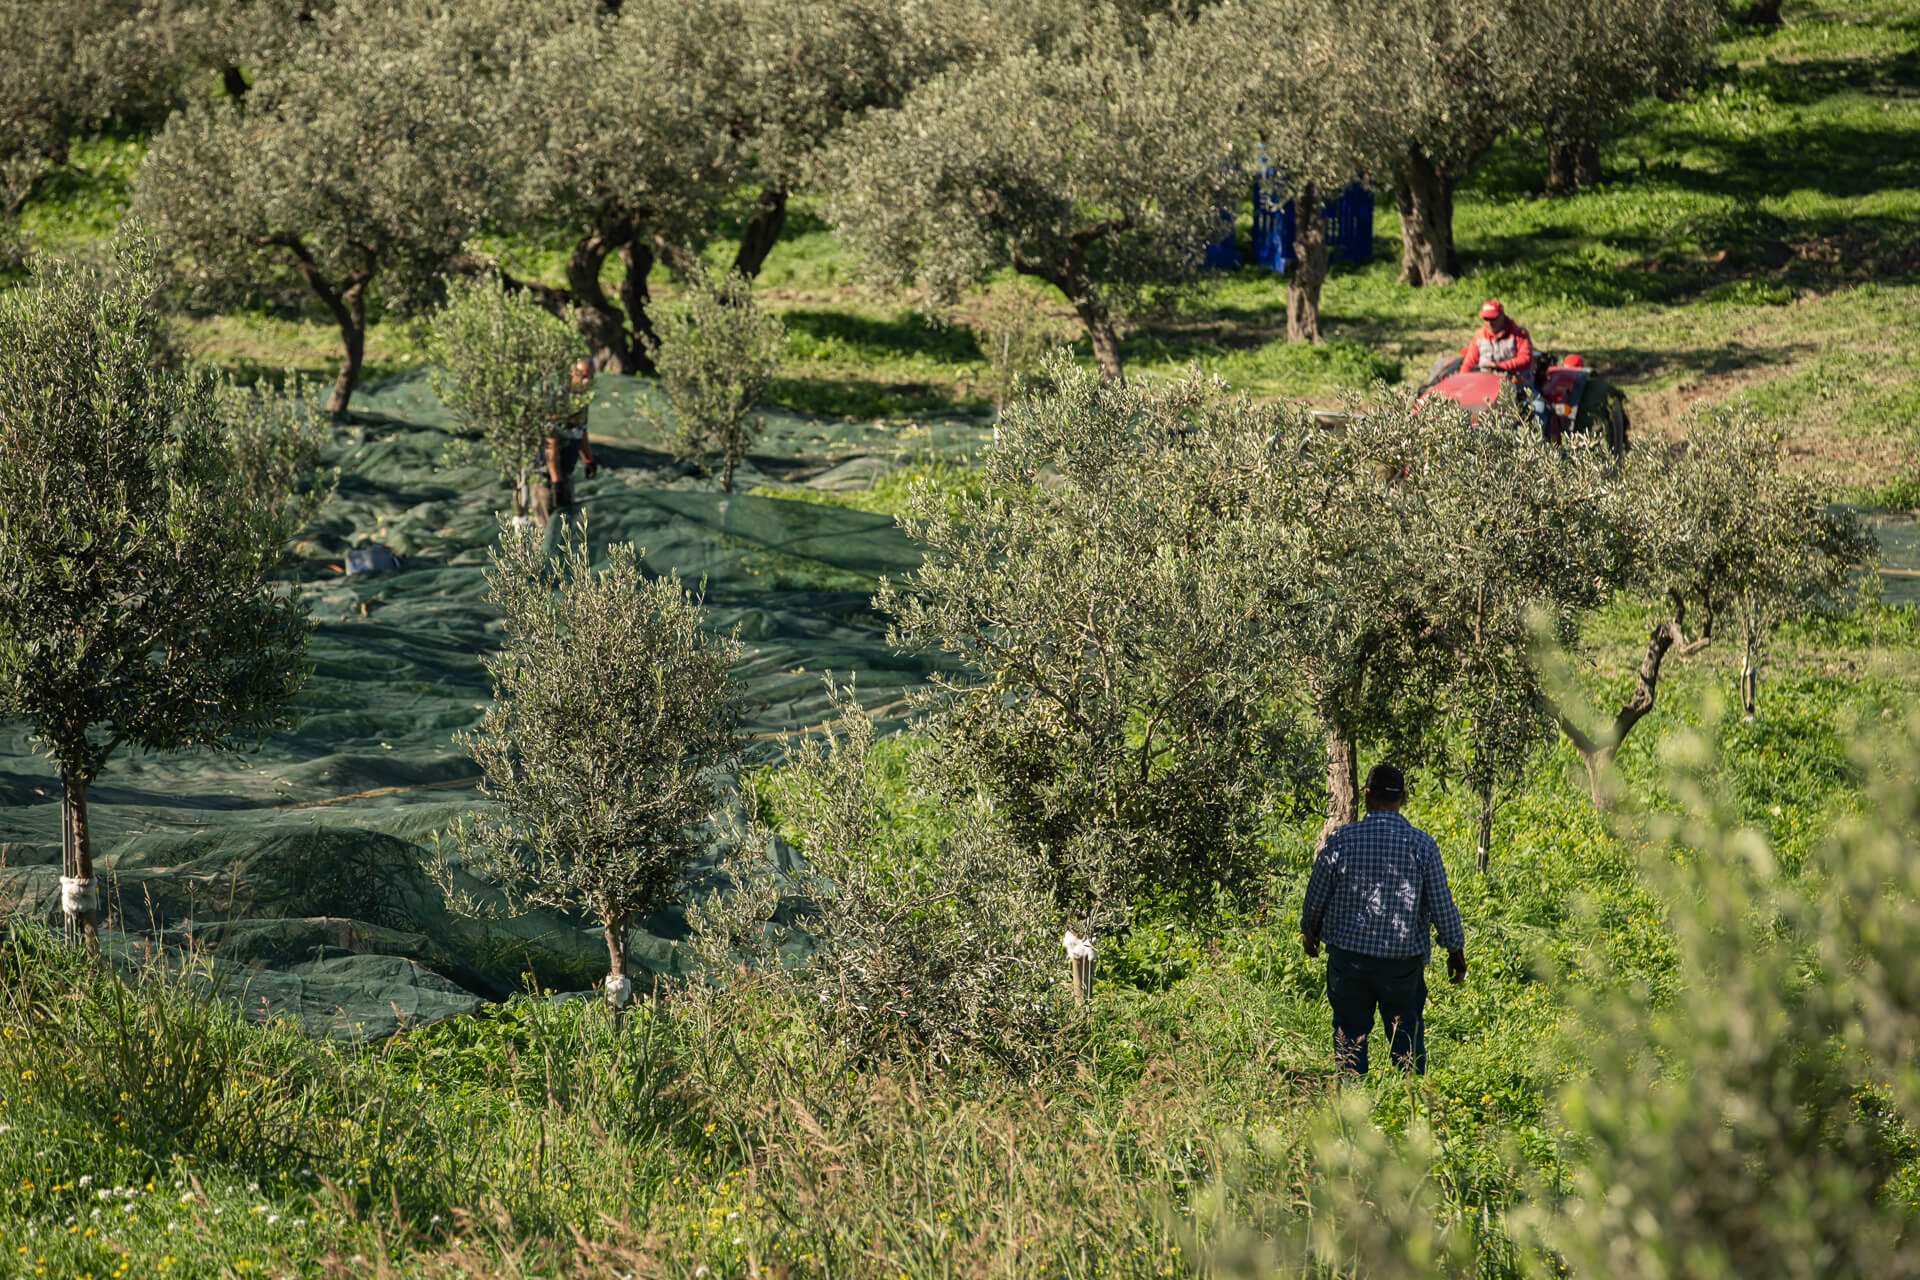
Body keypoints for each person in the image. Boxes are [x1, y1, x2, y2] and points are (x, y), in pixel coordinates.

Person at [1300, 763, 1467, 1076]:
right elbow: (1443, 907)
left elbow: (1316, 896)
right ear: (1403, 798)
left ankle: (1351, 1109)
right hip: (1401, 967)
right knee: (1406, 1042)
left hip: (1348, 962)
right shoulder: (1422, 846)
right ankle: (1412, 1108)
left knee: (1349, 1035)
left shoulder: (1340, 840)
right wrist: (1455, 953)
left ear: (1366, 796)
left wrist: (1310, 933)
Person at [1460, 300, 1547, 436]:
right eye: (1486, 319)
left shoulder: (1519, 334)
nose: (1489, 322)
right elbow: (1468, 363)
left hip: (1518, 386)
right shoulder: (1479, 336)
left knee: (1538, 407)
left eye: (1493, 318)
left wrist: (1499, 367)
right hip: (1485, 389)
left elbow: (1525, 359)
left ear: (1502, 316)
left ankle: (1536, 443)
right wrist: (1463, 384)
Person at [532, 356, 599, 522]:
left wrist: (589, 460)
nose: (586, 381)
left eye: (590, 377)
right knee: (547, 534)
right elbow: (550, 445)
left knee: (566, 533)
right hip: (546, 480)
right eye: (582, 376)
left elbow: (581, 431)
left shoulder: (582, 401)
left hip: (565, 476)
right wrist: (556, 483)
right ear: (571, 373)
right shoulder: (559, 401)